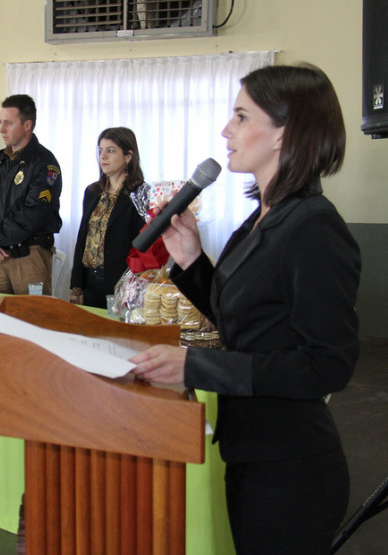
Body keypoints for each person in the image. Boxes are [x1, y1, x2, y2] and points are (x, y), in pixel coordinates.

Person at [131, 64, 360, 554]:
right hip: (253, 453)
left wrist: (196, 365)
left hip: (291, 470)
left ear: (285, 132)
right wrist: (191, 259)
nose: (225, 130)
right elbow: (245, 320)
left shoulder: (314, 229)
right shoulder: (265, 217)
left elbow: (328, 363)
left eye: (240, 116)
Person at [0, 94, 62, 295]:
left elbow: (31, 216)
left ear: (27, 125)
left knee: (32, 321)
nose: (1, 129)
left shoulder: (44, 163)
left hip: (29, 257)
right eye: (0, 122)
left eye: (9, 123)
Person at [69, 127, 147, 308]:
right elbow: (83, 239)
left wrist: (133, 288)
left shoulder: (141, 194)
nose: (103, 157)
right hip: (90, 281)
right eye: (100, 151)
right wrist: (76, 286)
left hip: (122, 283)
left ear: (128, 156)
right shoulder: (92, 192)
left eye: (110, 151)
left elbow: (142, 247)